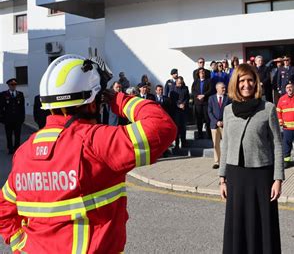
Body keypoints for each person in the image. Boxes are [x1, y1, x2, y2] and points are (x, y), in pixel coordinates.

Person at [0, 54, 176, 252]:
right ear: (93, 103)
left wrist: (21, 245)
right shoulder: (95, 142)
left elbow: (4, 209)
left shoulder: (24, 152)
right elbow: (162, 126)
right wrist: (118, 99)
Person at [219, 64, 284, 254]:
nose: (246, 85)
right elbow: (226, 145)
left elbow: (277, 145)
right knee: (237, 224)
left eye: (250, 80)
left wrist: (278, 179)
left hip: (261, 176)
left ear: (256, 83)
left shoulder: (268, 108)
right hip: (236, 175)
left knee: (262, 224)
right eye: (242, 81)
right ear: (235, 84)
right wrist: (222, 178)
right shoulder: (228, 111)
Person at [208, 82, 231, 169]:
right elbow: (209, 112)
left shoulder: (228, 98)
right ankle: (217, 161)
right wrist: (216, 121)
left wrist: (224, 121)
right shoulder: (211, 98)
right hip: (214, 125)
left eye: (224, 88)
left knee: (226, 143)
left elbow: (229, 111)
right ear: (217, 89)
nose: (224, 89)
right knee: (216, 144)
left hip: (225, 124)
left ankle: (227, 161)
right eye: (222, 88)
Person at [0, 78, 25, 154]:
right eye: (12, 85)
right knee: (9, 135)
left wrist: (22, 118)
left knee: (17, 134)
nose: (13, 86)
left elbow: (22, 107)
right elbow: (1, 107)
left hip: (17, 119)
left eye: (14, 85)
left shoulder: (20, 94)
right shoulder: (3, 94)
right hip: (8, 119)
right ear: (8, 85)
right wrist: (2, 119)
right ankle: (10, 148)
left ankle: (17, 148)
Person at [170, 76, 190, 153]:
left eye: (181, 83)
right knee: (177, 128)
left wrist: (184, 104)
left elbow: (187, 97)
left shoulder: (185, 88)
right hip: (176, 111)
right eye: (178, 83)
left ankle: (184, 142)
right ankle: (177, 144)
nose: (180, 84)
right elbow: (173, 100)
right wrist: (179, 105)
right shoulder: (173, 90)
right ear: (176, 82)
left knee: (183, 127)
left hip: (184, 110)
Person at [192, 68, 213, 139]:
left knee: (207, 119)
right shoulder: (195, 82)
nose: (202, 73)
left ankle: (209, 134)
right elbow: (193, 90)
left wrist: (204, 95)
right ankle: (200, 134)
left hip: (206, 102)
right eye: (200, 72)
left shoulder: (209, 81)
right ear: (198, 74)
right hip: (198, 103)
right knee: (199, 119)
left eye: (203, 72)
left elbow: (211, 90)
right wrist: (198, 95)